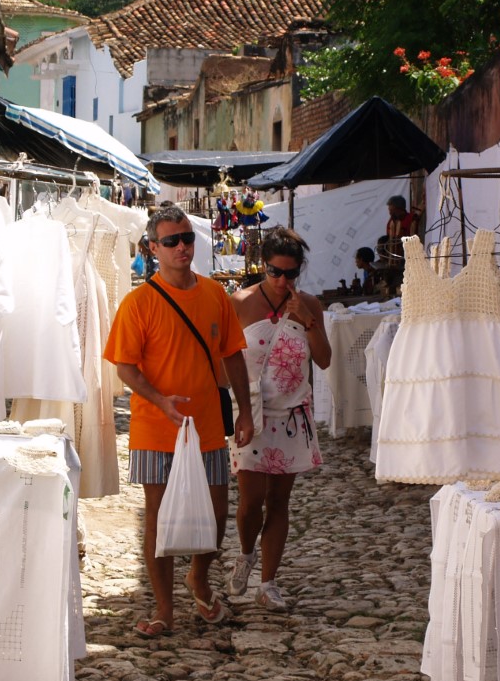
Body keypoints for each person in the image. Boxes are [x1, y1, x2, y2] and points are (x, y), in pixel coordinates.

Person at [103, 205, 255, 638]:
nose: (182, 247)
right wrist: (159, 399)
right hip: (156, 426)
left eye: (187, 238)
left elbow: (233, 355)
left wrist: (244, 410)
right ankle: (164, 608)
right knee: (159, 518)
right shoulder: (138, 303)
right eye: (171, 241)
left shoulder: (213, 295)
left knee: (216, 512)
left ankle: (199, 578)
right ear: (153, 248)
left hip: (206, 425)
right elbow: (126, 367)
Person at [228, 228, 332, 610]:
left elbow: (323, 360)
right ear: (263, 266)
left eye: (290, 273)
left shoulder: (310, 305)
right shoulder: (239, 302)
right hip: (251, 413)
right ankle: (245, 552)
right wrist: (237, 408)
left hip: (291, 414)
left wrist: (308, 321)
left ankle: (268, 581)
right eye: (275, 272)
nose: (282, 281)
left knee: (279, 500)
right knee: (250, 501)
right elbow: (224, 360)